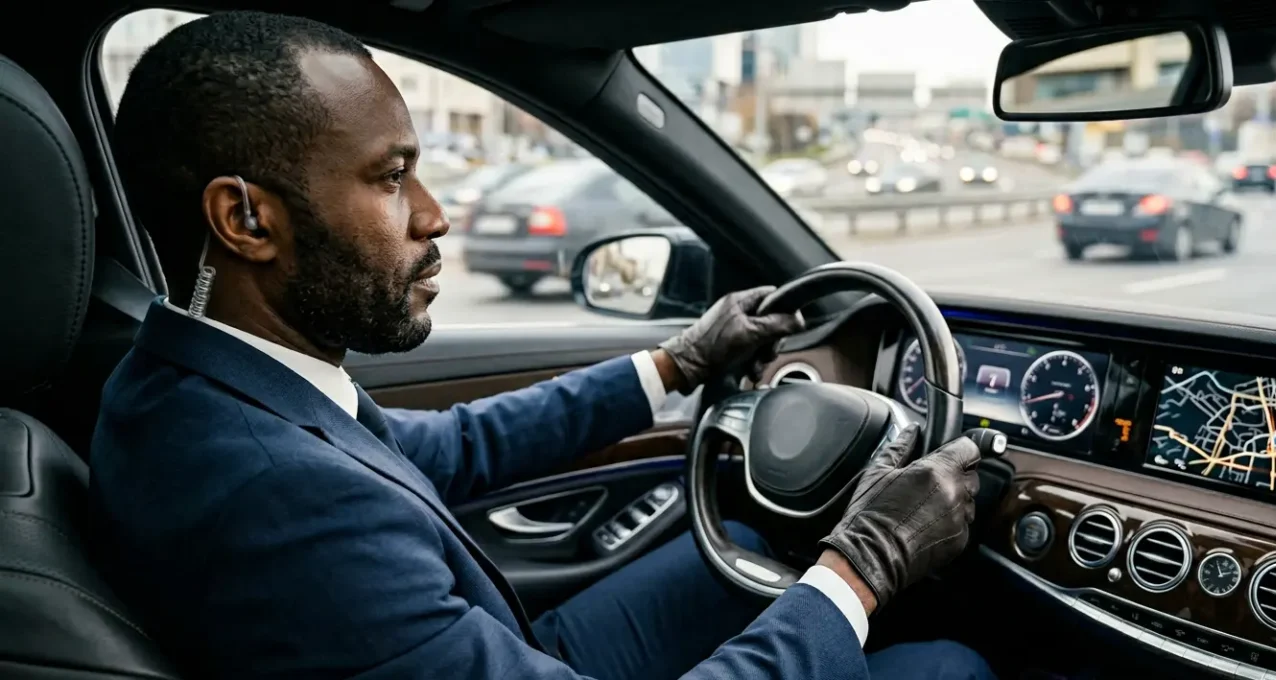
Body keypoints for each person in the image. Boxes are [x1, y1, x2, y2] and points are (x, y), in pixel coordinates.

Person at [89, 10, 996, 680]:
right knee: (949, 665)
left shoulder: (195, 380)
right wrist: (864, 563)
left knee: (753, 549)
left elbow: (452, 447)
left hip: (482, 653)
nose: (435, 216)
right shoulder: (274, 494)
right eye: (392, 177)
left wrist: (679, 362)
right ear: (246, 219)